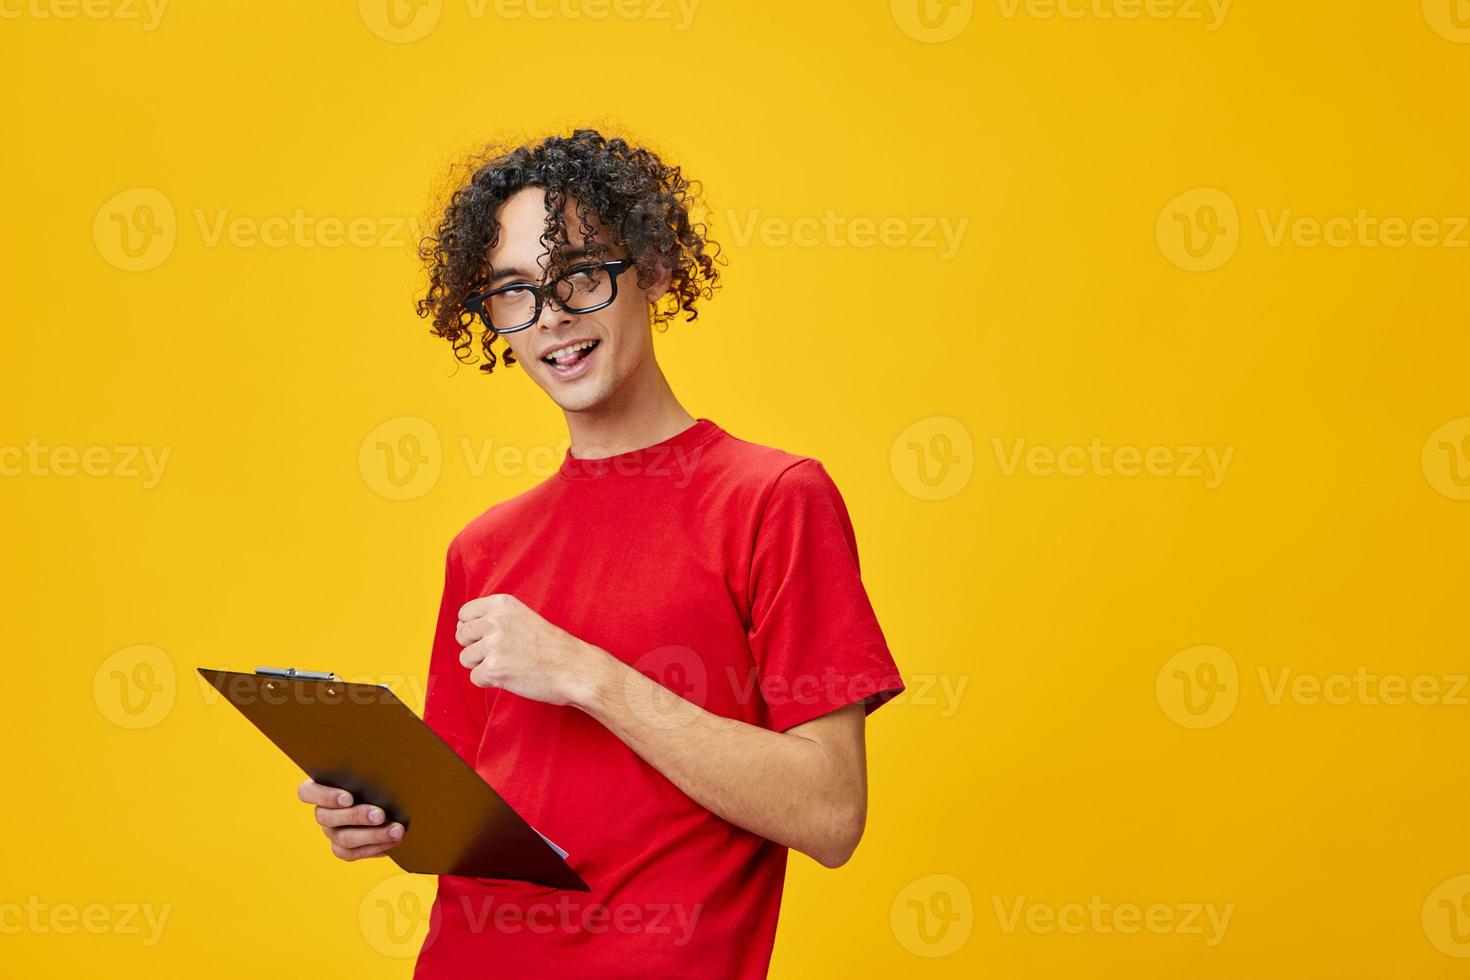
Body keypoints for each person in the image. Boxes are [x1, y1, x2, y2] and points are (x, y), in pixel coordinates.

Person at [295, 129, 904, 978]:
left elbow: (831, 812)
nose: (551, 317)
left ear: (653, 270)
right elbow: (471, 829)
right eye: (514, 292)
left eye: (579, 274)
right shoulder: (484, 548)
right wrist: (389, 821)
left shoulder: (773, 499)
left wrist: (588, 675)